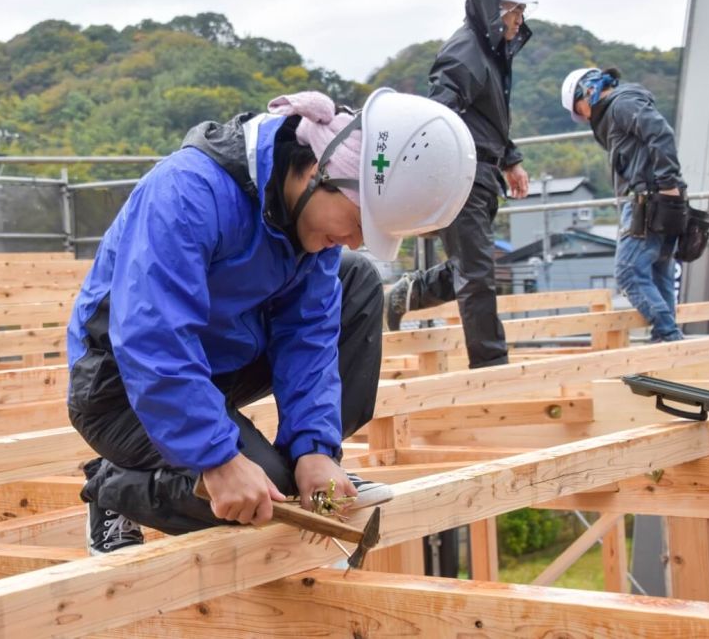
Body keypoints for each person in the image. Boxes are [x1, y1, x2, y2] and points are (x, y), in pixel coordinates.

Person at [67, 87, 477, 554]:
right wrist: (218, 459)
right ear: (320, 173)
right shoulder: (187, 192)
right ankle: (114, 486)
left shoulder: (308, 226)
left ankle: (298, 469)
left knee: (355, 279)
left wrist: (315, 450)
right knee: (262, 504)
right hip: (120, 387)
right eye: (360, 221)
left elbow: (310, 336)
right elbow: (152, 339)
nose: (357, 238)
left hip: (214, 363)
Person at [384, 0, 537, 371]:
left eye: (522, 9)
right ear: (494, 7)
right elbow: (438, 113)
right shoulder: (466, 51)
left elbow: (490, 118)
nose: (519, 18)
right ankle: (491, 367)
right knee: (479, 274)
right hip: (463, 175)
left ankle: (411, 292)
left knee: (472, 266)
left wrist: (511, 158)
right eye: (514, 8)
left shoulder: (492, 54)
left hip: (484, 173)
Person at [560, 66, 687, 342]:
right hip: (656, 197)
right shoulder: (620, 107)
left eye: (579, 108)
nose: (583, 116)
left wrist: (667, 184)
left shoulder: (622, 104)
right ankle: (669, 339)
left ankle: (667, 334)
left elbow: (661, 134)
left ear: (588, 91)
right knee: (658, 270)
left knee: (628, 271)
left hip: (650, 198)